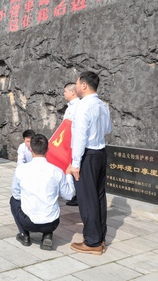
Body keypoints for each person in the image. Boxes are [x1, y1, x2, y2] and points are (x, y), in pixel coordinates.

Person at [70, 71, 112, 255]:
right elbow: (108, 129)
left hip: (87, 155)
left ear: (84, 85)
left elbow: (79, 137)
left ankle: (93, 242)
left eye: (77, 83)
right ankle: (100, 236)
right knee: (99, 196)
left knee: (88, 199)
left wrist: (75, 164)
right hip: (101, 153)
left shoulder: (82, 106)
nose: (76, 87)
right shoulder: (103, 105)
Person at [10, 134, 75, 250]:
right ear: (48, 149)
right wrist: (69, 175)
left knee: (13, 200)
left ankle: (24, 235)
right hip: (52, 223)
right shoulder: (57, 171)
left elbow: (16, 194)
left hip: (28, 222)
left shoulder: (21, 170)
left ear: (31, 149)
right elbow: (69, 195)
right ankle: (47, 234)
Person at [63, 82, 80, 206]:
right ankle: (74, 193)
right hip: (69, 144)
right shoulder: (70, 106)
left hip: (75, 144)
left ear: (72, 92)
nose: (64, 94)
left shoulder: (78, 106)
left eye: (65, 91)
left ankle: (78, 195)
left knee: (76, 169)